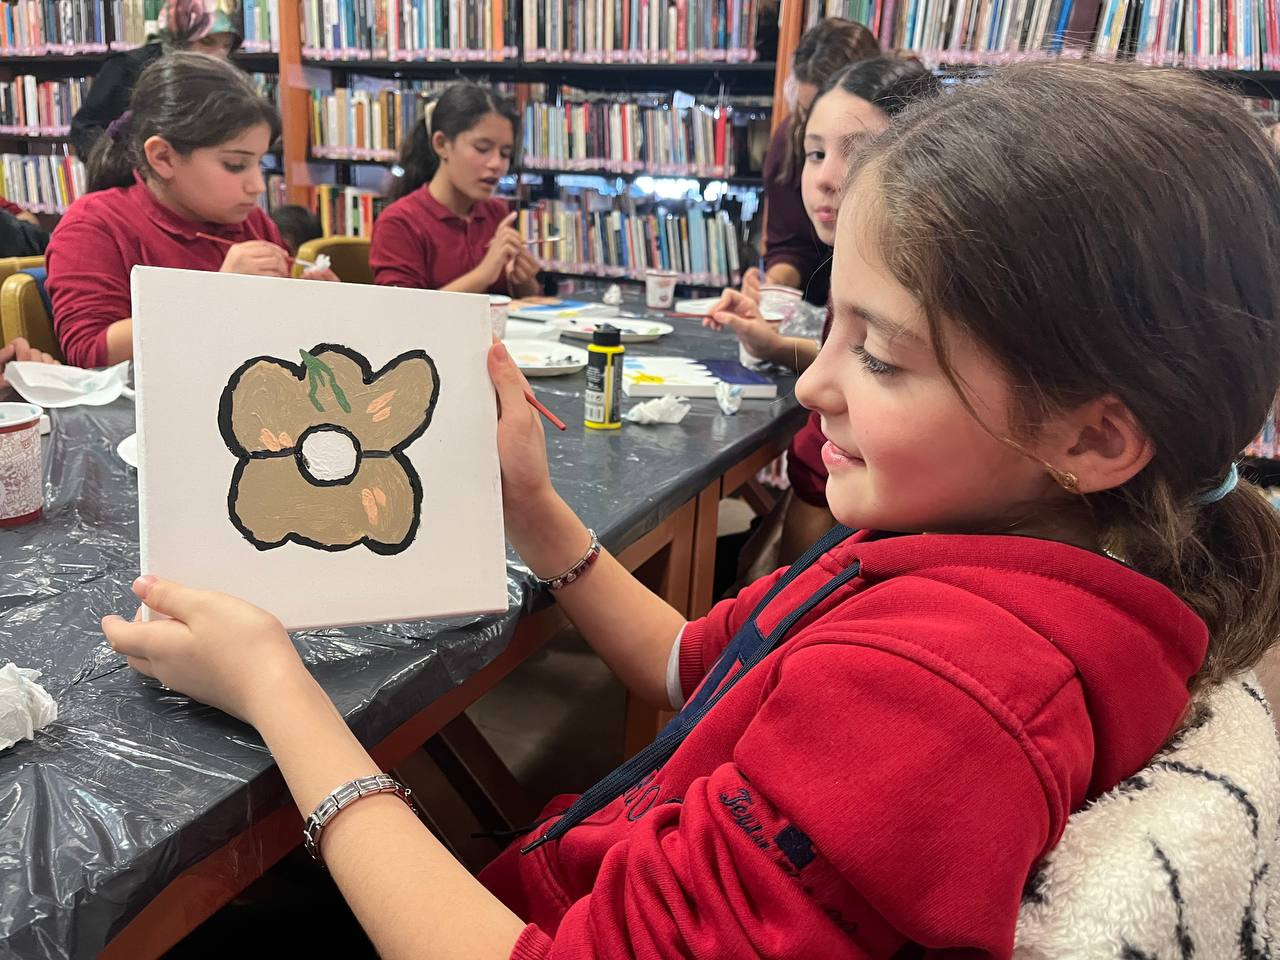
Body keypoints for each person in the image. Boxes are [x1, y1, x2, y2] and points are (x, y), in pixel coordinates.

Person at [101, 62, 1280, 957]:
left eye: (879, 356)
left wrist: (279, 688)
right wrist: (532, 511)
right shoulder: (968, 558)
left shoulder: (935, 700)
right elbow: (685, 664)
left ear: (1089, 438)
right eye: (833, 328)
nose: (814, 384)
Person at [709, 57, 942, 561]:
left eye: (860, 153)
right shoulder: (856, 266)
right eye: (815, 153)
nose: (827, 177)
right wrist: (774, 345)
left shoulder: (918, 288)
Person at [47, 53, 334, 370]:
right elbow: (91, 353)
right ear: (163, 157)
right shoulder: (94, 225)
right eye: (235, 165)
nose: (257, 185)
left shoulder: (251, 222)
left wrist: (313, 308)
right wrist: (216, 294)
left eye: (260, 164)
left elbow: (271, 339)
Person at [369, 83, 539, 296]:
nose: (497, 164)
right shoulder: (399, 223)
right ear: (441, 144)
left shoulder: (496, 213)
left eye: (505, 154)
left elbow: (526, 303)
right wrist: (485, 273)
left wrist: (525, 280)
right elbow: (404, 312)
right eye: (482, 149)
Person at [754, 17, 878, 306]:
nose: (824, 179)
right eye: (816, 154)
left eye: (851, 149)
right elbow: (791, 246)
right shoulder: (789, 141)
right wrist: (773, 287)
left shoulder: (902, 154)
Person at [69, 0, 243, 159]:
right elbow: (84, 129)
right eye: (207, 41)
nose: (218, 55)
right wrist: (118, 164)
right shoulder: (127, 66)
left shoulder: (227, 80)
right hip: (133, 176)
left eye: (227, 45)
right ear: (179, 37)